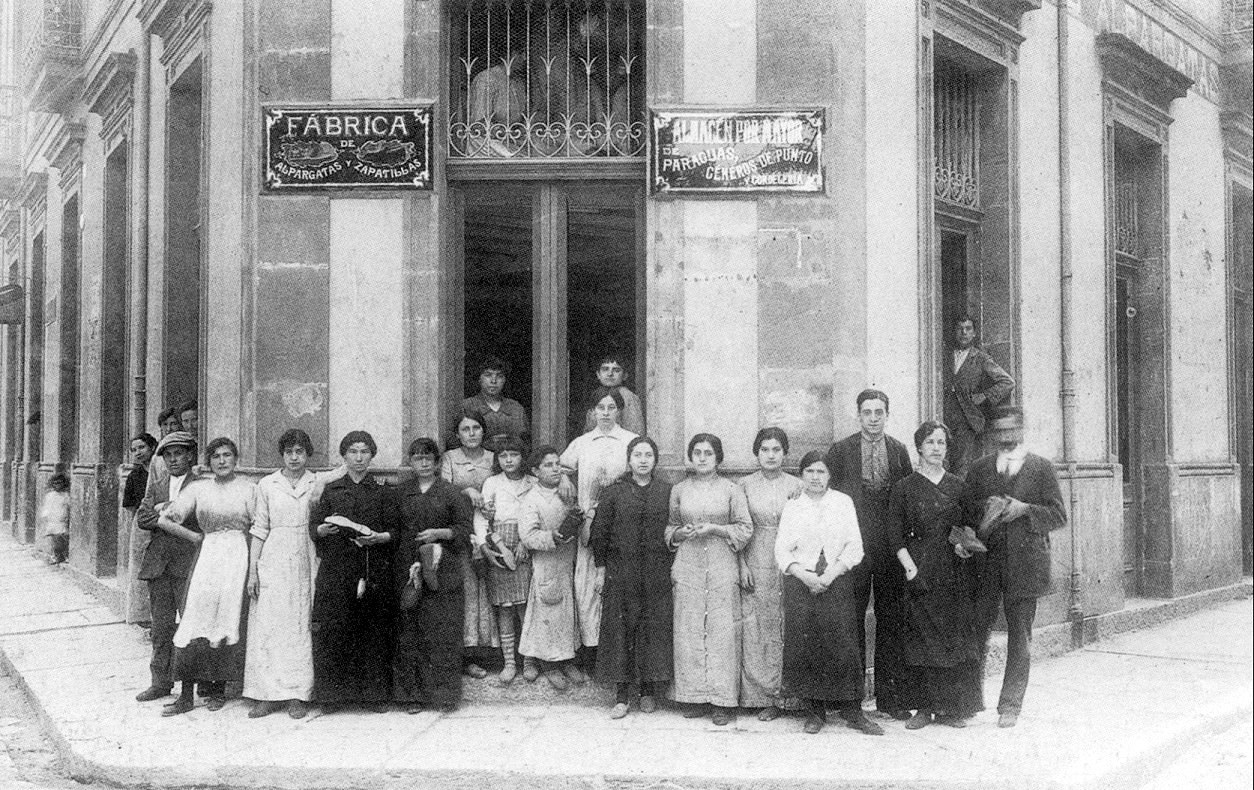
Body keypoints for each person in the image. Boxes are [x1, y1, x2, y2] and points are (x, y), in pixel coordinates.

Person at [964, 406, 1066, 728]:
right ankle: (967, 702)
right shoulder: (979, 469)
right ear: (993, 434)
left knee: (1019, 636)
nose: (1007, 436)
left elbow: (1059, 515)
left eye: (1012, 430)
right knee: (975, 632)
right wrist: (983, 515)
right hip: (985, 566)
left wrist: (1024, 509)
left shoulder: (1041, 468)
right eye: (1001, 430)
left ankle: (1010, 706)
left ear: (1021, 431)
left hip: (1025, 566)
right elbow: (965, 513)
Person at [824, 388, 915, 719]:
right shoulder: (841, 450)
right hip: (854, 542)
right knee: (852, 619)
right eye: (867, 412)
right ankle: (850, 700)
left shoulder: (899, 450)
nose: (873, 418)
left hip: (889, 544)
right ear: (858, 415)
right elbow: (827, 495)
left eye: (879, 412)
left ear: (887, 415)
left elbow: (906, 497)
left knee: (891, 618)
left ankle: (891, 700)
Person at [775, 452, 879, 735]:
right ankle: (814, 711)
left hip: (837, 580)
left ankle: (853, 711)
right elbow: (782, 549)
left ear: (830, 475)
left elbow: (854, 546)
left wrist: (831, 574)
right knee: (807, 643)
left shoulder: (842, 503)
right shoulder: (794, 505)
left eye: (821, 471)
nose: (815, 477)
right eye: (809, 471)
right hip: (802, 582)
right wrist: (806, 576)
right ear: (801, 475)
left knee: (843, 642)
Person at [888, 421, 982, 729]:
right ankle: (925, 709)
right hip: (919, 569)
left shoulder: (958, 486)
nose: (936, 448)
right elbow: (895, 535)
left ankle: (952, 709)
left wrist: (966, 547)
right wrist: (910, 569)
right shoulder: (905, 488)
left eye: (941, 442)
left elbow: (971, 527)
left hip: (953, 571)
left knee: (954, 639)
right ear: (918, 447)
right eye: (930, 442)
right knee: (921, 639)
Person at [157, 437, 256, 716]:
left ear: (236, 459)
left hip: (238, 556)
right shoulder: (198, 488)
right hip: (209, 555)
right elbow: (165, 518)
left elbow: (260, 525)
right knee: (196, 618)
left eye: (227, 455)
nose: (222, 461)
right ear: (209, 461)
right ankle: (185, 695)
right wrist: (194, 537)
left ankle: (217, 690)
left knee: (227, 617)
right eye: (216, 456)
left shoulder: (249, 489)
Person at [667, 433, 753, 726]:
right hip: (688, 565)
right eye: (697, 453)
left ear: (718, 458)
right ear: (690, 457)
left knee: (722, 633)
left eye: (708, 453)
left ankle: (722, 701)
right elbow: (671, 527)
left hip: (721, 565)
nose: (702, 458)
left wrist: (715, 528)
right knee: (689, 628)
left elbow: (745, 529)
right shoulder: (679, 489)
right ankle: (694, 697)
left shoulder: (732, 489)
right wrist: (681, 533)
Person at [310, 430, 396, 713]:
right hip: (337, 567)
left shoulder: (383, 491)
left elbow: (394, 529)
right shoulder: (331, 490)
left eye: (364, 452)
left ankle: (373, 696)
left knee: (372, 629)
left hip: (372, 565)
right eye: (353, 452)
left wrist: (379, 537)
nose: (359, 458)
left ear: (372, 455)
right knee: (336, 628)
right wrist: (321, 530)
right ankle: (333, 697)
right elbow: (314, 527)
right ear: (343, 456)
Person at [590, 436, 673, 719]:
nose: (642, 460)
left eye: (648, 455)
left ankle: (648, 690)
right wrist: (601, 569)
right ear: (629, 460)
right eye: (637, 455)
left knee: (651, 628)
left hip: (655, 571)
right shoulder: (614, 492)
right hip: (621, 570)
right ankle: (622, 695)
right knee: (621, 630)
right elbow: (599, 533)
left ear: (655, 460)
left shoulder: (666, 491)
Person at [393, 438, 475, 713]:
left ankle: (444, 696)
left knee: (443, 632)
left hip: (444, 570)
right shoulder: (400, 493)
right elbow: (393, 530)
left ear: (438, 463)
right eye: (418, 458)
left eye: (429, 458)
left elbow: (465, 531)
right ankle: (412, 696)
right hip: (409, 567)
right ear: (411, 462)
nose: (424, 463)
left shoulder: (453, 494)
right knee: (410, 632)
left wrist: (440, 533)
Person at [560, 387, 639, 670]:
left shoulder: (630, 441)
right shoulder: (582, 442)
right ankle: (592, 652)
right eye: (600, 408)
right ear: (592, 412)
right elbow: (561, 468)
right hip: (589, 524)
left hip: (618, 523)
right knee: (586, 587)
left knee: (614, 586)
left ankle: (616, 652)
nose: (605, 413)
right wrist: (565, 480)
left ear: (619, 411)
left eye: (611, 408)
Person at [243, 429, 320, 719]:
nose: (294, 457)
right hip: (273, 556)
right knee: (270, 624)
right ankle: (267, 694)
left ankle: (299, 694)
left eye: (300, 451)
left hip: (307, 554)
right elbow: (259, 528)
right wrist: (253, 572)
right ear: (282, 454)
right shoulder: (267, 485)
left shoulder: (316, 483)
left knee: (301, 623)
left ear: (307, 453)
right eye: (289, 452)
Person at [738, 427, 804, 721]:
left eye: (777, 449)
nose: (771, 455)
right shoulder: (743, 485)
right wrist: (741, 564)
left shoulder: (799, 485)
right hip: (756, 555)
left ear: (785, 453)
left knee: (789, 622)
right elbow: (738, 526)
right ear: (756, 453)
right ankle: (762, 696)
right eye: (765, 449)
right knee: (758, 623)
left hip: (791, 556)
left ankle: (791, 697)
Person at [133, 431, 200, 704]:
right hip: (159, 564)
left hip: (188, 562)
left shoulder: (200, 484)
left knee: (189, 625)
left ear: (189, 456)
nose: (173, 460)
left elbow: (198, 515)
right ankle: (160, 682)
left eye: (179, 454)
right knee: (161, 627)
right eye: (168, 455)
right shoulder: (157, 483)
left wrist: (165, 509)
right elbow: (142, 517)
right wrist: (166, 511)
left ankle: (189, 687)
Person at [518, 446, 583, 689]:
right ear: (535, 471)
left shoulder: (566, 491)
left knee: (567, 613)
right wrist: (551, 536)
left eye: (557, 463)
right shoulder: (532, 499)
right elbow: (527, 535)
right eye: (548, 465)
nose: (555, 468)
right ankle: (549, 663)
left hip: (568, 560)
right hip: (547, 562)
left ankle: (566, 659)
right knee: (548, 610)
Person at [441, 411, 498, 679]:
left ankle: (491, 653)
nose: (472, 433)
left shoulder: (493, 458)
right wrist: (466, 491)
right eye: (466, 429)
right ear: (458, 434)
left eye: (476, 428)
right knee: (467, 591)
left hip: (489, 529)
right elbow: (441, 488)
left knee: (489, 590)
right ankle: (466, 655)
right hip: (461, 531)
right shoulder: (450, 458)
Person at [477, 436, 535, 683]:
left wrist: (526, 542)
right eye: (503, 456)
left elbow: (538, 516)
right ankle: (509, 661)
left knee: (526, 607)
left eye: (514, 454)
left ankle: (529, 660)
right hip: (500, 547)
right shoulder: (491, 483)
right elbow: (482, 518)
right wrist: (486, 545)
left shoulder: (533, 482)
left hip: (527, 547)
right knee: (505, 607)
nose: (509, 460)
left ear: (523, 457)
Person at [943, 316, 1015, 475]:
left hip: (967, 420)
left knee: (963, 468)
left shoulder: (981, 358)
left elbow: (1007, 382)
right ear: (954, 332)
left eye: (968, 329)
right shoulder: (944, 356)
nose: (963, 333)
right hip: (944, 417)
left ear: (974, 333)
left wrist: (985, 395)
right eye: (959, 329)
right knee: (943, 464)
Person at [122, 433, 158, 624]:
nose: (138, 452)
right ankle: (143, 616)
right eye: (134, 450)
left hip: (162, 521)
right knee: (140, 568)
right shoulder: (134, 476)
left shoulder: (161, 470)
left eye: (142, 447)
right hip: (142, 526)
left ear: (152, 447)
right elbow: (129, 507)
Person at [461, 356, 529, 451]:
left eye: (499, 376)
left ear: (505, 380)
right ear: (479, 379)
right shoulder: (468, 406)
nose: (493, 381)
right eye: (488, 375)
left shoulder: (515, 408)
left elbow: (524, 442)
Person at [581, 356, 644, 436]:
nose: (610, 374)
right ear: (598, 374)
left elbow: (635, 431)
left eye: (616, 370)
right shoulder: (597, 395)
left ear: (625, 375)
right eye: (605, 369)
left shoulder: (628, 397)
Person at [39, 472, 71, 564]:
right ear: (52, 484)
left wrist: (66, 516)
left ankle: (65, 555)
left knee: (63, 538)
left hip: (61, 518)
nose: (57, 485)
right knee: (54, 539)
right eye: (55, 483)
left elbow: (68, 506)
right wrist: (45, 516)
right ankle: (56, 556)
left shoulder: (65, 495)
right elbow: (47, 507)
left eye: (60, 483)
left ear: (63, 484)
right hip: (53, 519)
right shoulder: (50, 495)